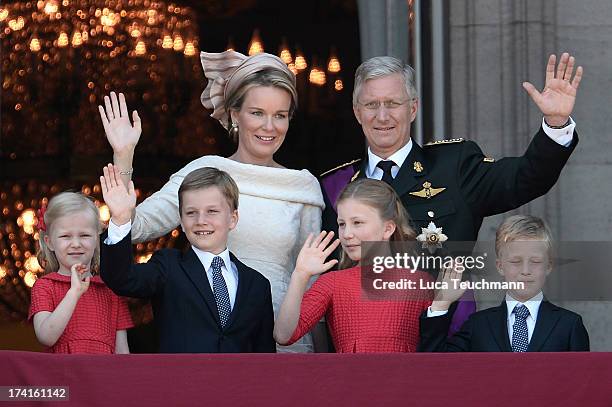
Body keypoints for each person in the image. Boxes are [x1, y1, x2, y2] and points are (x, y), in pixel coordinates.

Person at [99, 50, 324, 352]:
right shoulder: (204, 172)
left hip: (288, 344)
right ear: (235, 115)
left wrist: (324, 359)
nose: (269, 127)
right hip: (209, 347)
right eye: (257, 113)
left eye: (280, 115)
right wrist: (123, 154)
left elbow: (313, 287)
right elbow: (134, 226)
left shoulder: (304, 186)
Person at [321, 53, 582, 242]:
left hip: (445, 317)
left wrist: (556, 123)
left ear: (413, 109)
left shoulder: (455, 166)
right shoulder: (335, 185)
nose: (382, 116)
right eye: (371, 105)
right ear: (357, 112)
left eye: (392, 103)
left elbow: (526, 178)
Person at [100, 164, 276, 353]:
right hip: (181, 381)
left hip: (239, 382)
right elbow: (121, 278)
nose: (201, 220)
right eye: (191, 213)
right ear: (182, 222)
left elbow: (265, 356)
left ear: (232, 219)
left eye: (212, 211)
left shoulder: (257, 284)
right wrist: (120, 219)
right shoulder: (168, 266)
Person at [274, 179, 433, 352]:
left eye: (357, 223)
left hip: (406, 377)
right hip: (350, 377)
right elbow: (284, 336)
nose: (347, 234)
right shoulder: (332, 282)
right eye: (342, 224)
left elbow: (436, 345)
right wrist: (300, 274)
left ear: (387, 229)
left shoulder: (420, 281)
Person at [418, 215, 589, 352]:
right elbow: (437, 369)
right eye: (515, 261)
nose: (525, 270)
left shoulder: (569, 325)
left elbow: (582, 385)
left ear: (549, 266)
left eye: (535, 261)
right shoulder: (478, 325)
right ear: (500, 266)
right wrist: (441, 304)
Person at [28, 192, 133, 354]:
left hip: (101, 377)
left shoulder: (111, 290)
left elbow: (122, 354)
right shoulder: (45, 286)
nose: (76, 244)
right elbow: (46, 336)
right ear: (50, 243)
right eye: (65, 236)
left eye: (84, 235)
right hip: (63, 376)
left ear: (97, 239)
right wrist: (74, 293)